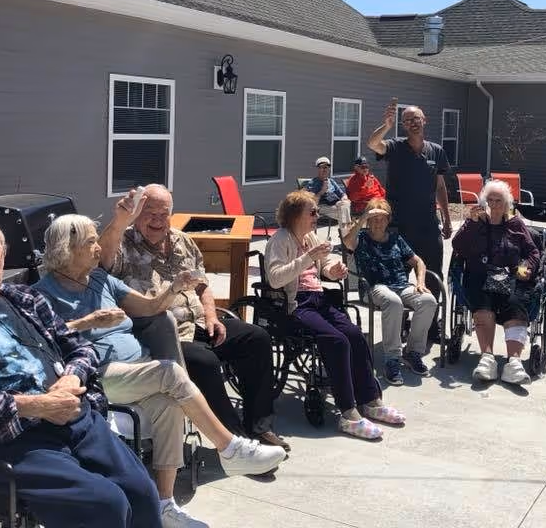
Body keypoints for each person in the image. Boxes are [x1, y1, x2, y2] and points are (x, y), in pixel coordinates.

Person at [0, 218, 163, 528]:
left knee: (143, 493)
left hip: (77, 417)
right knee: (104, 504)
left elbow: (81, 349)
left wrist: (72, 376)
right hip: (12, 437)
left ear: (4, 253)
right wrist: (30, 405)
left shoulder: (27, 299)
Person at [36, 214, 286, 526]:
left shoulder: (100, 279)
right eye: (91, 242)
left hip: (137, 369)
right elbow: (43, 340)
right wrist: (88, 322)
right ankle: (230, 447)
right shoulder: (41, 293)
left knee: (169, 406)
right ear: (67, 248)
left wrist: (173, 289)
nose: (99, 247)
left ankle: (164, 506)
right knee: (170, 372)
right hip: (99, 375)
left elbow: (149, 307)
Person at [99, 184, 289, 451]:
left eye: (163, 214)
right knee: (205, 362)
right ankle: (235, 442)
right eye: (149, 213)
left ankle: (260, 426)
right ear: (137, 213)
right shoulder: (123, 244)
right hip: (158, 334)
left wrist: (212, 316)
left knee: (256, 338)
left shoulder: (181, 240)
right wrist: (119, 220)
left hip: (198, 323)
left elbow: (203, 285)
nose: (157, 220)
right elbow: (102, 258)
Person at [265, 190, 404, 439]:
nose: (317, 216)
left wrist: (333, 269)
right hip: (296, 304)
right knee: (336, 340)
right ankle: (348, 412)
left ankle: (371, 400)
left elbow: (325, 263)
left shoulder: (309, 236)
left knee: (355, 335)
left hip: (318, 298)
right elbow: (275, 279)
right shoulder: (280, 240)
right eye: (313, 212)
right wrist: (308, 258)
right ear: (296, 214)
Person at [367, 100, 452, 340]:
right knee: (399, 277)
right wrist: (386, 125)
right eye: (408, 120)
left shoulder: (436, 151)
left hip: (428, 225)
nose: (413, 123)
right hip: (399, 227)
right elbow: (373, 143)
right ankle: (401, 323)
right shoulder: (394, 147)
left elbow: (441, 186)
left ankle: (430, 326)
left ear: (424, 121)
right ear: (403, 125)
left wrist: (446, 218)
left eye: (417, 119)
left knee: (434, 276)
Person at [451, 180, 541, 385]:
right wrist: (472, 223)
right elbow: (458, 246)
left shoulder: (515, 224)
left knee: (516, 302)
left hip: (511, 277)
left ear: (507, 203)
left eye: (498, 200)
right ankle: (487, 358)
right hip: (480, 277)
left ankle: (514, 363)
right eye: (489, 200)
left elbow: (532, 252)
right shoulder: (475, 222)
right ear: (483, 202)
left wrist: (526, 267)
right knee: (482, 303)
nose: (494, 204)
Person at [342, 197, 437, 385]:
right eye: (374, 219)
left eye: (382, 218)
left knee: (428, 301)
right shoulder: (360, 238)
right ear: (368, 220)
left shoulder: (395, 239)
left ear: (388, 220)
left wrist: (419, 282)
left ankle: (412, 353)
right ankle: (392, 359)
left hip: (401, 285)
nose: (378, 222)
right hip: (375, 287)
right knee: (393, 302)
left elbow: (418, 261)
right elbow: (347, 243)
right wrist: (361, 219)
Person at [302, 156, 352, 229]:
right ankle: (346, 232)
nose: (324, 170)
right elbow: (312, 202)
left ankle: (345, 233)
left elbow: (342, 194)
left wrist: (344, 198)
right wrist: (322, 191)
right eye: (322, 167)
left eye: (326, 168)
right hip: (323, 206)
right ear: (318, 169)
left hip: (337, 205)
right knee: (344, 211)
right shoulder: (313, 183)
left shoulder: (331, 181)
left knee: (345, 204)